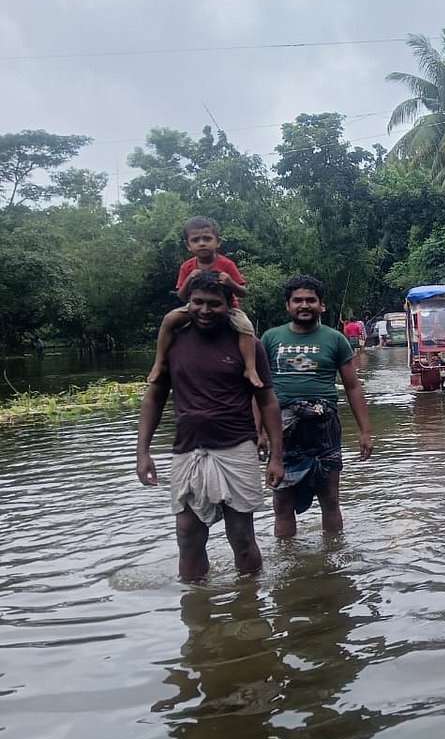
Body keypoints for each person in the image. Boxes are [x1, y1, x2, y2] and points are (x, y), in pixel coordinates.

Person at [136, 269, 284, 582]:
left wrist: (276, 455)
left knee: (241, 537)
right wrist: (143, 452)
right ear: (187, 303)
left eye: (214, 304)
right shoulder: (174, 342)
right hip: (188, 449)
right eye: (198, 302)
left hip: (237, 447)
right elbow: (154, 398)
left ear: (228, 306)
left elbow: (268, 401)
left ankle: (250, 604)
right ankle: (196, 617)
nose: (205, 310)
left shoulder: (248, 344)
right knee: (187, 536)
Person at [262, 275, 374, 538]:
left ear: (321, 305)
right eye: (297, 300)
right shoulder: (270, 338)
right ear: (287, 305)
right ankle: (288, 564)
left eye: (310, 300)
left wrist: (365, 431)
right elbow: (260, 391)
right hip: (283, 428)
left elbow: (353, 387)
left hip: (325, 425)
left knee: (331, 500)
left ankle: (334, 560)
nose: (304, 305)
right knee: (282, 503)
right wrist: (258, 433)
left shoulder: (334, 339)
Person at [147, 216, 262, 388]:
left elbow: (243, 292)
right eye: (196, 240)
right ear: (188, 245)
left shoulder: (226, 264)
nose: (202, 243)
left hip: (228, 308)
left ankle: (250, 368)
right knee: (169, 319)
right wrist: (189, 280)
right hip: (195, 307)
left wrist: (230, 282)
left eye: (207, 239)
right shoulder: (187, 267)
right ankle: (159, 362)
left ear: (218, 242)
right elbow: (182, 296)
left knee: (246, 327)